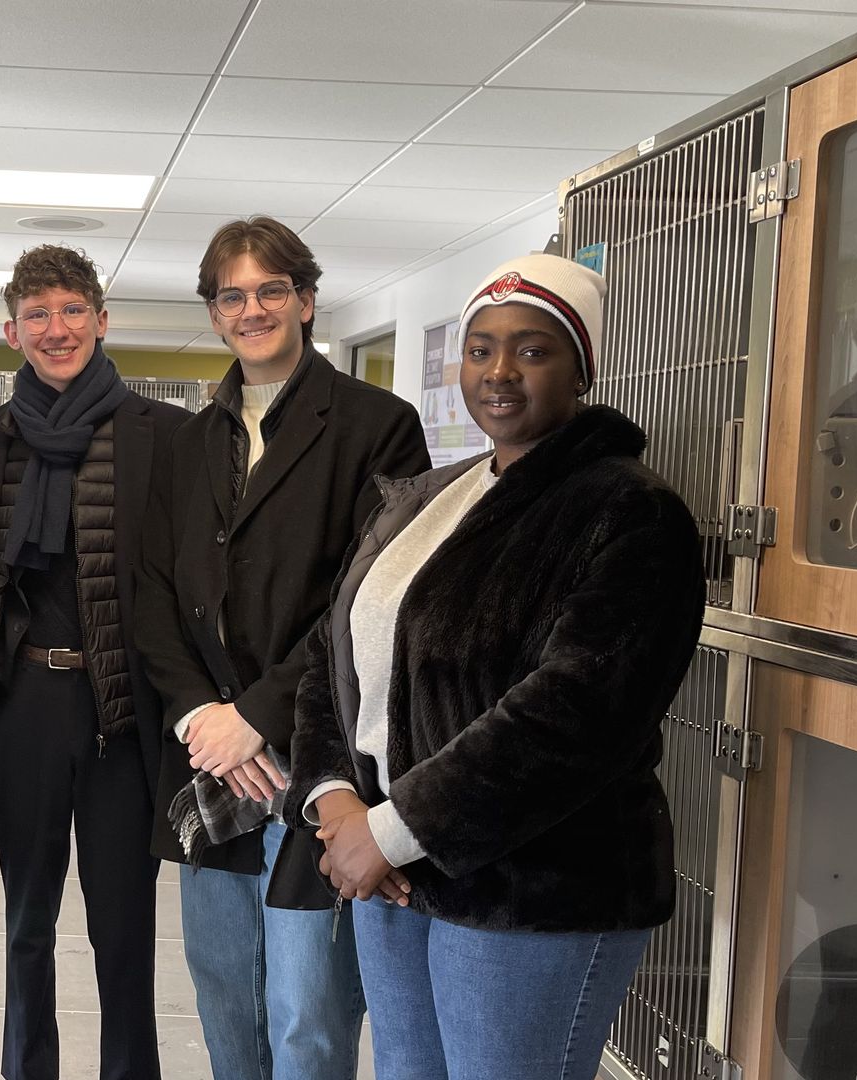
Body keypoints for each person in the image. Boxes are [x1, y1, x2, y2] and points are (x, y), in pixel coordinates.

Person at [277, 254, 705, 1080]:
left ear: (582, 366)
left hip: (530, 892)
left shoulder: (630, 512)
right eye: (479, 349)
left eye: (533, 349)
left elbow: (575, 717)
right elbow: (337, 663)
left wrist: (391, 830)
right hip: (393, 872)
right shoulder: (430, 498)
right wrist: (334, 804)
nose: (499, 372)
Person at [134, 216, 429, 1079]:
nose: (252, 308)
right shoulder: (188, 444)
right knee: (227, 999)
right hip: (210, 762)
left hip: (316, 758)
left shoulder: (378, 426)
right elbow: (152, 593)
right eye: (233, 295)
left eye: (271, 290)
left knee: (309, 1014)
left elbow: (367, 598)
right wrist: (201, 716)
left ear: (304, 300)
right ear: (215, 313)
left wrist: (255, 717)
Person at [0, 244, 190, 1080]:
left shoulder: (163, 433)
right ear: (12, 330)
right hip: (25, 706)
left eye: (73, 310)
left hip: (123, 713)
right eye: (38, 315)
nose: (58, 328)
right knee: (26, 924)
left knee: (123, 928)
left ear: (101, 320)